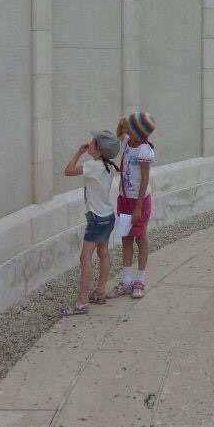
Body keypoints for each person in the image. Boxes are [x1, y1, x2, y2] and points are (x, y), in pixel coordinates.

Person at [60, 130, 121, 315]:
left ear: (99, 149)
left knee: (85, 257)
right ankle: (100, 292)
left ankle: (82, 302)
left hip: (96, 219)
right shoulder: (108, 167)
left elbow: (68, 171)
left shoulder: (93, 166)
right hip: (108, 216)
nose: (89, 143)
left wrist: (79, 153)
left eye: (93, 142)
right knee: (103, 253)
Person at [107, 112, 156, 300]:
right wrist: (121, 124)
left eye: (129, 125)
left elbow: (144, 180)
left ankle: (140, 281)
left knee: (140, 238)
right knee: (126, 238)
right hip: (124, 199)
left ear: (136, 131)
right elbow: (119, 134)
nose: (125, 128)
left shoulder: (144, 151)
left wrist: (138, 207)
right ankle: (126, 281)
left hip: (139, 201)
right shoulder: (128, 141)